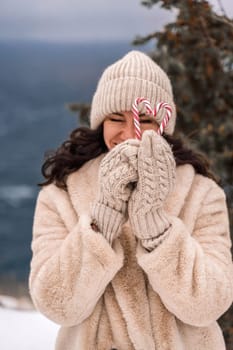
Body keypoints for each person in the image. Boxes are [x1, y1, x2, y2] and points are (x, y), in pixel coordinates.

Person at [29, 51, 233, 350]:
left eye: (145, 119)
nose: (128, 132)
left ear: (163, 123)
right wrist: (105, 216)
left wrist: (156, 229)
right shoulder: (60, 194)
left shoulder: (201, 194)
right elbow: (56, 304)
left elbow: (209, 304)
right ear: (101, 123)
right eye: (115, 119)